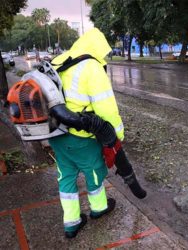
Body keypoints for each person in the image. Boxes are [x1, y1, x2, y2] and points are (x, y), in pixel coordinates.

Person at [49, 28, 146, 239]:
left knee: (65, 177)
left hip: (56, 133)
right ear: (98, 48)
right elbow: (106, 109)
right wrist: (117, 136)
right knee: (94, 172)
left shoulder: (58, 60)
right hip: (81, 137)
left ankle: (71, 222)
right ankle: (99, 207)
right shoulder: (91, 66)